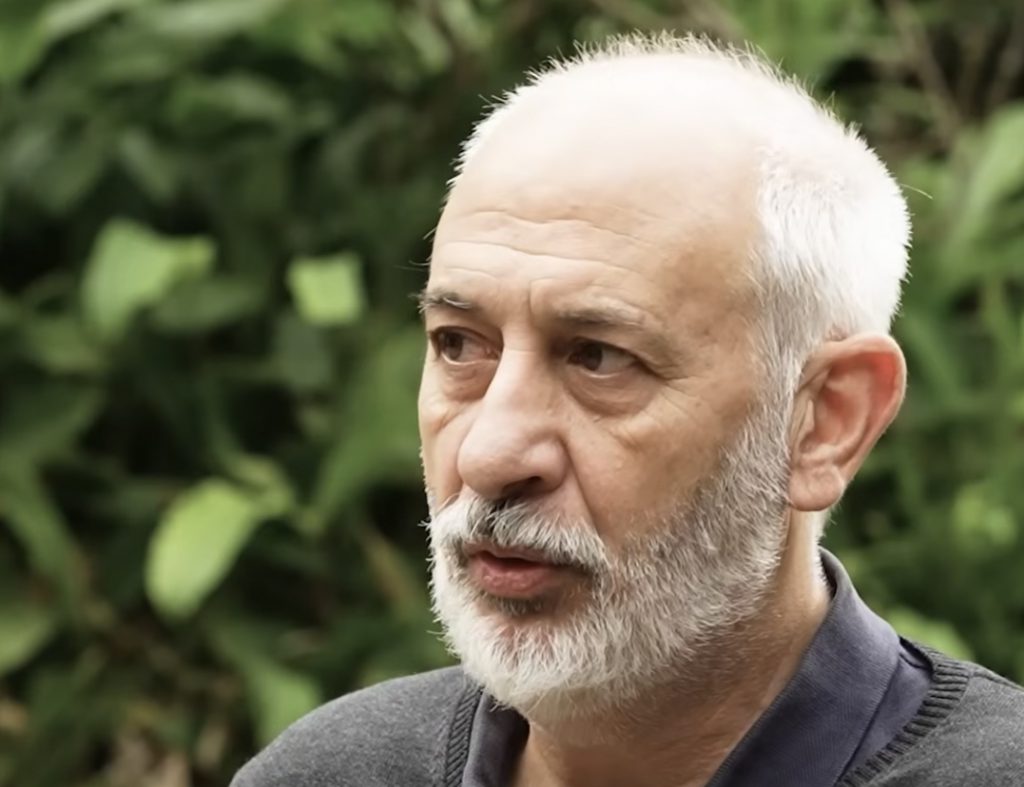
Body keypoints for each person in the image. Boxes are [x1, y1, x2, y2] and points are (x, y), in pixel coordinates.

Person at [231, 33, 1024, 787]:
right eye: (459, 345)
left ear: (823, 421)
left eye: (599, 357)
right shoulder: (331, 771)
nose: (488, 454)